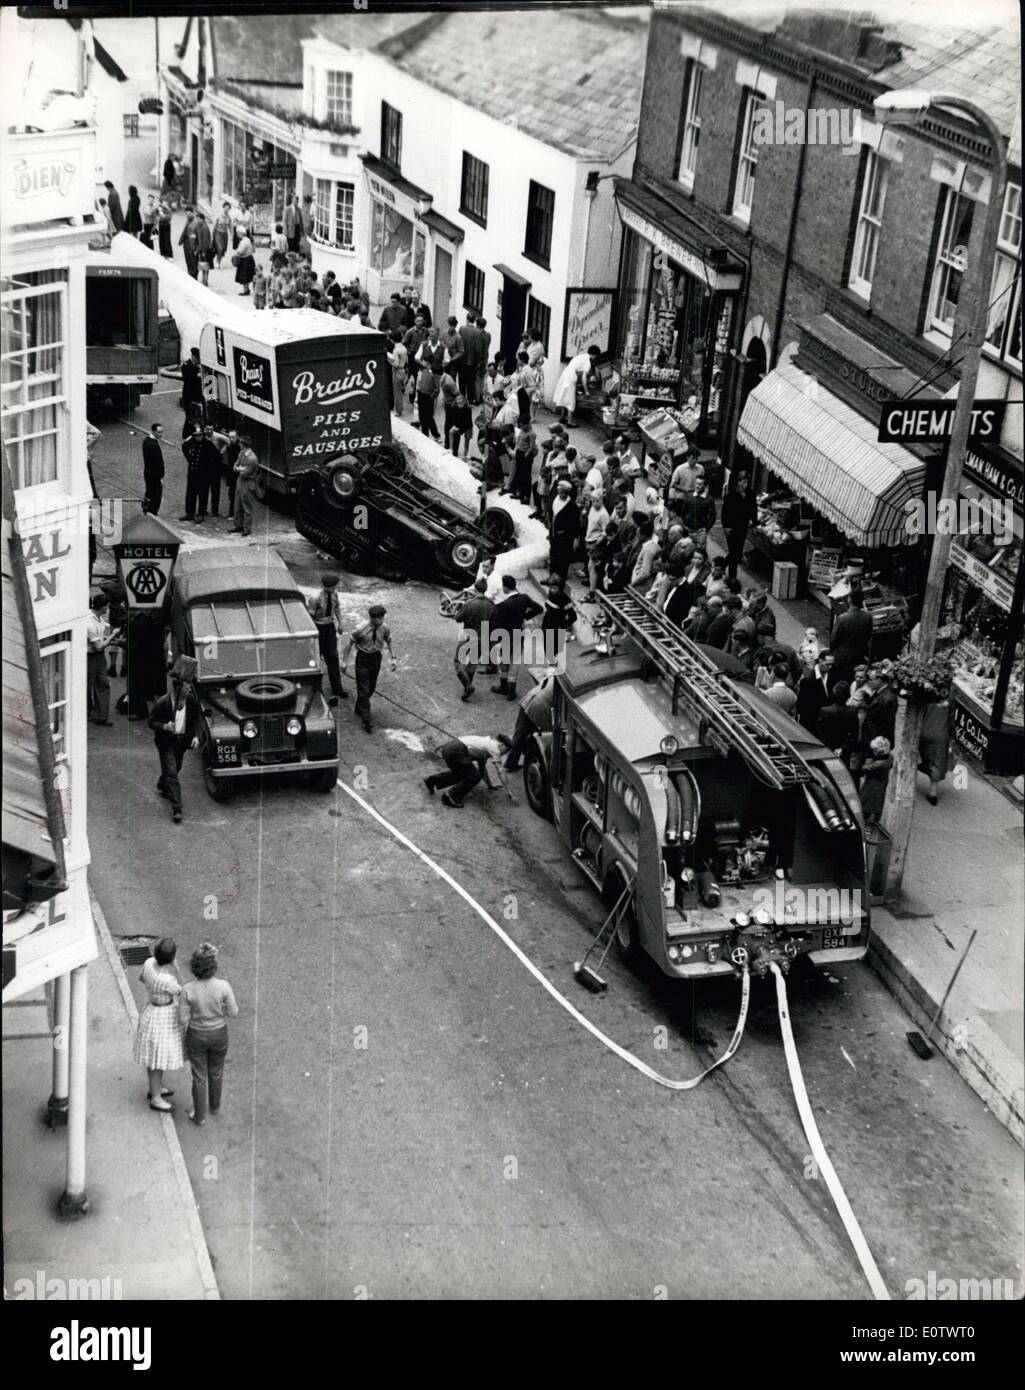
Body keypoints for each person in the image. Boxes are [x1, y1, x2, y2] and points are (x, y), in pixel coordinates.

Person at [178, 943, 239, 1126]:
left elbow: (182, 1020)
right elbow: (233, 1013)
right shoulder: (223, 986)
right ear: (214, 966)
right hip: (219, 1033)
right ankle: (214, 1106)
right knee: (216, 1071)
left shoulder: (187, 989)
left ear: (194, 966)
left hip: (196, 1035)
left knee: (199, 1076)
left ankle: (200, 1116)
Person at [133, 939, 184, 1112]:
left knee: (154, 1055)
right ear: (171, 958)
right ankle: (155, 1097)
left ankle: (155, 1088)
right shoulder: (167, 979)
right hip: (164, 1015)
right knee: (158, 1058)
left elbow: (141, 978)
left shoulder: (148, 964)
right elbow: (182, 992)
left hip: (151, 1010)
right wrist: (177, 969)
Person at [149, 656, 201, 825]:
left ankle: (162, 783)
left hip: (182, 741)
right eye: (187, 687)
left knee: (176, 767)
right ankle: (177, 808)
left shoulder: (191, 702)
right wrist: (164, 726)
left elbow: (195, 720)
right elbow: (152, 722)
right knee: (172, 771)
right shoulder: (162, 703)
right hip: (166, 742)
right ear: (178, 688)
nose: (189, 689)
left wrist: (195, 736)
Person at [342, 603, 396, 733]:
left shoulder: (384, 628)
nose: (379, 621)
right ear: (371, 617)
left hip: (376, 658)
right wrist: (344, 661)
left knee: (371, 687)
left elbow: (389, 641)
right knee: (364, 689)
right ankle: (367, 720)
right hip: (363, 659)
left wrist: (393, 658)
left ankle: (359, 708)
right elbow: (349, 644)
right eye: (376, 618)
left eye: (381, 618)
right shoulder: (360, 629)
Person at [423, 734, 511, 808]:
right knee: (474, 777)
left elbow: (482, 769)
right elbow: (500, 771)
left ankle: (432, 780)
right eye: (506, 750)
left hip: (449, 748)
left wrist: (490, 785)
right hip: (456, 750)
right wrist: (510, 793)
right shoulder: (494, 748)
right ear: (502, 745)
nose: (504, 754)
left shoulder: (485, 746)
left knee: (464, 774)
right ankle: (450, 796)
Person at [490, 574, 542, 699]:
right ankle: (511, 689)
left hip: (507, 636)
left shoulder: (503, 605)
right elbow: (539, 608)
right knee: (515, 661)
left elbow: (498, 624)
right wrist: (525, 617)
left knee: (504, 660)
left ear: (505, 588)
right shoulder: (524, 598)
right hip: (520, 634)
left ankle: (503, 686)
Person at [504, 668, 557, 770]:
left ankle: (511, 761)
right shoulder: (564, 681)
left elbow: (541, 673)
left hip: (530, 698)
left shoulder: (554, 673)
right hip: (539, 706)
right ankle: (517, 759)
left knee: (520, 733)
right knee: (541, 735)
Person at [308, 573, 348, 705]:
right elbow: (310, 617)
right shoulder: (315, 598)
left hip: (330, 628)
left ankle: (337, 689)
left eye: (334, 587)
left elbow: (336, 608)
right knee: (315, 659)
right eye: (331, 587)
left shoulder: (335, 594)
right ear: (325, 586)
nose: (333, 589)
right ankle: (314, 689)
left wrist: (340, 622)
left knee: (333, 657)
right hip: (318, 629)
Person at [453, 579, 494, 702]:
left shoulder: (469, 604)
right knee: (472, 663)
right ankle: (467, 687)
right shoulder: (491, 605)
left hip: (468, 636)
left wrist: (457, 609)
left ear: (475, 590)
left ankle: (467, 686)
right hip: (482, 638)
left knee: (457, 662)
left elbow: (458, 619)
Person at [86, 593, 118, 725]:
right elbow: (98, 647)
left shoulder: (98, 619)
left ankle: (101, 715)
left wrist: (113, 640)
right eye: (107, 607)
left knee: (103, 683)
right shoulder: (89, 624)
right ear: (102, 607)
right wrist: (112, 636)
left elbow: (100, 638)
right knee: (87, 686)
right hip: (90, 657)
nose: (108, 609)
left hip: (99, 657)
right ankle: (87, 712)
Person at [830, 588, 874, 679]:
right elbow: (868, 636)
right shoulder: (868, 617)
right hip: (859, 656)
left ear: (850, 600)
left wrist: (833, 652)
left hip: (843, 659)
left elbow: (833, 640)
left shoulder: (843, 618)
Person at [552, 345, 600, 427]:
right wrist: (586, 391)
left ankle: (563, 417)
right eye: (595, 356)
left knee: (564, 394)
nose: (595, 358)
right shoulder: (588, 361)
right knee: (571, 398)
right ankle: (569, 422)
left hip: (565, 373)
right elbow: (584, 378)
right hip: (571, 376)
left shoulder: (580, 356)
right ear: (593, 355)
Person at [720, 472, 756, 579]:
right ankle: (732, 578)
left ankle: (722, 565)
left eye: (747, 482)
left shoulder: (751, 494)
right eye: (744, 482)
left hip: (743, 527)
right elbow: (724, 511)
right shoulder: (731, 494)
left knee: (737, 552)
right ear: (739, 482)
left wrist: (754, 523)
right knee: (734, 553)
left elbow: (754, 509)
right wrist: (725, 526)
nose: (746, 484)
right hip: (731, 528)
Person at [818, 681, 860, 766]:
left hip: (827, 749)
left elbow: (820, 733)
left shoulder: (824, 711)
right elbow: (854, 735)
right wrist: (842, 748)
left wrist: (830, 748)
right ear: (848, 695)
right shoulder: (852, 711)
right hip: (844, 751)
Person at [918, 698, 951, 806]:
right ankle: (933, 793)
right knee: (937, 763)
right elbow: (951, 718)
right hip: (941, 734)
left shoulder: (927, 694)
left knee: (921, 756)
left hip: (924, 730)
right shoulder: (950, 697)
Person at [548, 479, 580, 583]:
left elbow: (575, 523)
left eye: (563, 492)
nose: (560, 494)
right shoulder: (555, 499)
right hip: (553, 533)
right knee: (553, 553)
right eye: (559, 491)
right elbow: (551, 513)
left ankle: (560, 576)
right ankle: (552, 574)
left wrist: (575, 538)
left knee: (562, 556)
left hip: (565, 536)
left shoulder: (571, 506)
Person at [796, 652, 836, 731]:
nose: (830, 667)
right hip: (812, 723)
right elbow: (802, 707)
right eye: (827, 664)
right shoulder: (808, 679)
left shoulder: (832, 675)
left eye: (832, 664)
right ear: (820, 661)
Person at [229, 434, 260, 536]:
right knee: (237, 504)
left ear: (243, 444)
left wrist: (239, 469)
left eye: (240, 443)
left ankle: (247, 528)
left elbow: (244, 473)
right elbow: (235, 466)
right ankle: (238, 525)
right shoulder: (241, 453)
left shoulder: (252, 459)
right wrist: (240, 468)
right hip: (240, 482)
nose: (239, 445)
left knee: (246, 506)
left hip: (247, 483)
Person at [859, 736, 892, 824]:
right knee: (877, 802)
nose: (873, 751)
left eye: (875, 750)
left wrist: (868, 759)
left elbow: (864, 768)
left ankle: (866, 820)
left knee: (867, 804)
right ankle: (874, 818)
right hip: (882, 782)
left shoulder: (878, 764)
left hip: (873, 784)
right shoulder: (889, 757)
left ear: (880, 751)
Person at [541, 576, 577, 658]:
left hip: (555, 628)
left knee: (553, 651)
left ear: (560, 588)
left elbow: (573, 616)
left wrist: (562, 626)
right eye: (551, 588)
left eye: (555, 588)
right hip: (547, 624)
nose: (552, 590)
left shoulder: (564, 599)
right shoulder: (551, 593)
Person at [458, 311, 483, 403]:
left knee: (462, 380)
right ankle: (470, 400)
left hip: (462, 359)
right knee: (470, 381)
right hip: (472, 361)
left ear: (467, 319)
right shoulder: (478, 332)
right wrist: (479, 360)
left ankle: (462, 397)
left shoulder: (461, 329)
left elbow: (459, 343)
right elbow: (478, 348)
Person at [142, 422, 165, 516]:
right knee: (156, 495)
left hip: (148, 472)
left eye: (161, 432)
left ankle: (146, 509)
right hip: (155, 475)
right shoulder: (154, 445)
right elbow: (158, 463)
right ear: (153, 431)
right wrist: (161, 477)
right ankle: (152, 513)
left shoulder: (146, 440)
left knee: (149, 492)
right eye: (159, 432)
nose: (161, 434)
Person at [415, 359, 440, 438]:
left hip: (428, 396)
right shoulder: (424, 370)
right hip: (421, 394)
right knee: (422, 416)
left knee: (428, 417)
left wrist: (431, 397)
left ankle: (436, 435)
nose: (422, 362)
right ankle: (425, 435)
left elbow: (437, 389)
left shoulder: (433, 374)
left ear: (428, 363)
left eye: (424, 361)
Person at [387, 332, 408, 415]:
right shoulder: (403, 348)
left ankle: (399, 410)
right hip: (403, 369)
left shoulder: (396, 350)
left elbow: (395, 364)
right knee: (400, 390)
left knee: (397, 392)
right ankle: (400, 409)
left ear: (392, 340)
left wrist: (388, 359)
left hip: (397, 370)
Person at [181, 346, 203, 413]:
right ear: (193, 356)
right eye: (197, 358)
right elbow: (189, 380)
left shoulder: (197, 365)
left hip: (196, 395)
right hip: (189, 395)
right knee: (189, 417)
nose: (198, 360)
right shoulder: (186, 365)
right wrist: (198, 374)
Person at [234, 230, 256, 296]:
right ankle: (246, 289)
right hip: (248, 258)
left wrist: (237, 250)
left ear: (241, 233)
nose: (237, 234)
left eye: (238, 233)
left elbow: (240, 251)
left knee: (245, 276)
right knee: (247, 276)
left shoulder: (244, 241)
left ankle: (246, 290)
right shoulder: (246, 239)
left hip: (245, 259)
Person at [179, 212, 200, 278]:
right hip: (186, 242)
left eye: (189, 213)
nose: (187, 215)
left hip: (193, 244)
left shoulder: (196, 223)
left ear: (192, 213)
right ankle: (190, 273)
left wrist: (197, 248)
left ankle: (194, 275)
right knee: (188, 259)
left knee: (194, 260)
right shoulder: (187, 221)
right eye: (186, 214)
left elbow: (199, 237)